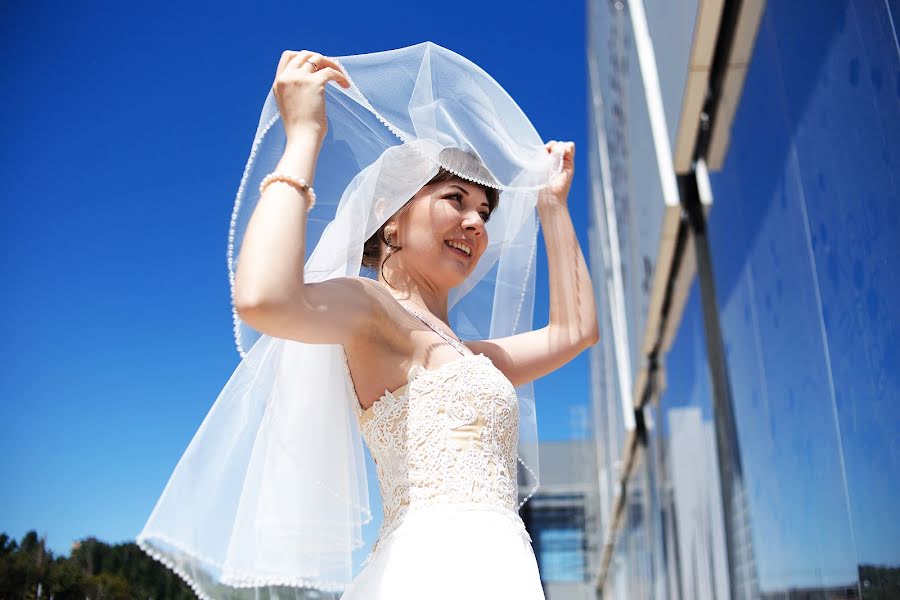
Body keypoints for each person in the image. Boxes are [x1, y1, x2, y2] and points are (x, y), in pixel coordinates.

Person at [137, 43, 598, 600]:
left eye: (485, 211)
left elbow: (575, 332)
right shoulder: (373, 309)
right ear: (392, 223)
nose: (476, 222)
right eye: (456, 198)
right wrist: (304, 136)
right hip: (434, 569)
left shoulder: (473, 357)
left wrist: (552, 205)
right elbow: (261, 297)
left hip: (502, 567)